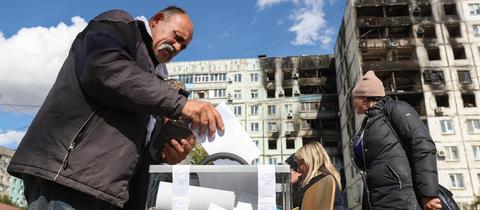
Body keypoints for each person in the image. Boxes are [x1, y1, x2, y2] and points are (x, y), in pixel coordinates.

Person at [7, 6, 224, 210]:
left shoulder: (157, 80)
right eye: (177, 37)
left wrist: (165, 154)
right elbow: (105, 68)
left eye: (183, 47)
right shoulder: (120, 26)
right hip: (71, 182)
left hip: (112, 195)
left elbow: (139, 148)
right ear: (157, 20)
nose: (177, 48)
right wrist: (181, 104)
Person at [350, 70, 441, 210]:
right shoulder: (368, 124)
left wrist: (429, 194)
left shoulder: (395, 109)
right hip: (377, 201)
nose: (353, 103)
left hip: (401, 199)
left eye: (354, 98)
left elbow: (422, 146)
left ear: (364, 99)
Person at [293, 142, 344, 210]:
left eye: (300, 163)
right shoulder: (324, 180)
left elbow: (295, 202)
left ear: (311, 161)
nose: (298, 169)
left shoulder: (319, 182)